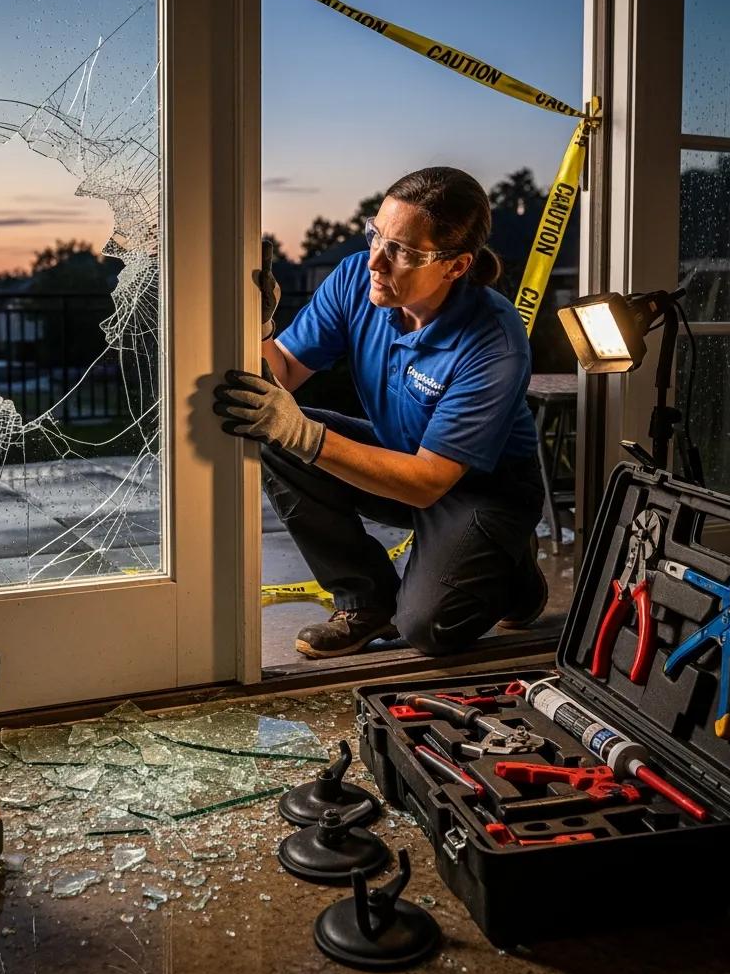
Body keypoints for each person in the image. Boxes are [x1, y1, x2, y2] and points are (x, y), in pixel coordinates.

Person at [213, 166, 546, 659]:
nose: (375, 261)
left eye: (402, 251)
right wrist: (259, 325)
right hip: (400, 453)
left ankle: (513, 574)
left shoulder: (493, 341)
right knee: (272, 433)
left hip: (482, 489)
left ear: (455, 266)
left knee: (429, 629)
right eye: (376, 235)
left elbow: (428, 482)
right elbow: (282, 375)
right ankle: (366, 603)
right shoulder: (355, 280)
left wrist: (305, 435)